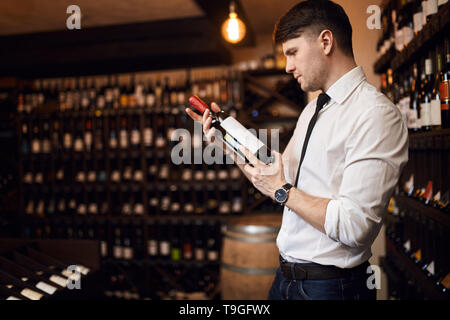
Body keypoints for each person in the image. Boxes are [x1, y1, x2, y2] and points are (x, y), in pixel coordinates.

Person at [186, 0, 408, 300]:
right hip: (285, 279)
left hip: (331, 288)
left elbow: (356, 226)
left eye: (292, 52)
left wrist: (282, 190)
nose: (288, 66)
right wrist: (227, 140)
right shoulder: (313, 109)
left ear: (326, 42)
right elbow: (275, 175)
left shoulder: (376, 114)